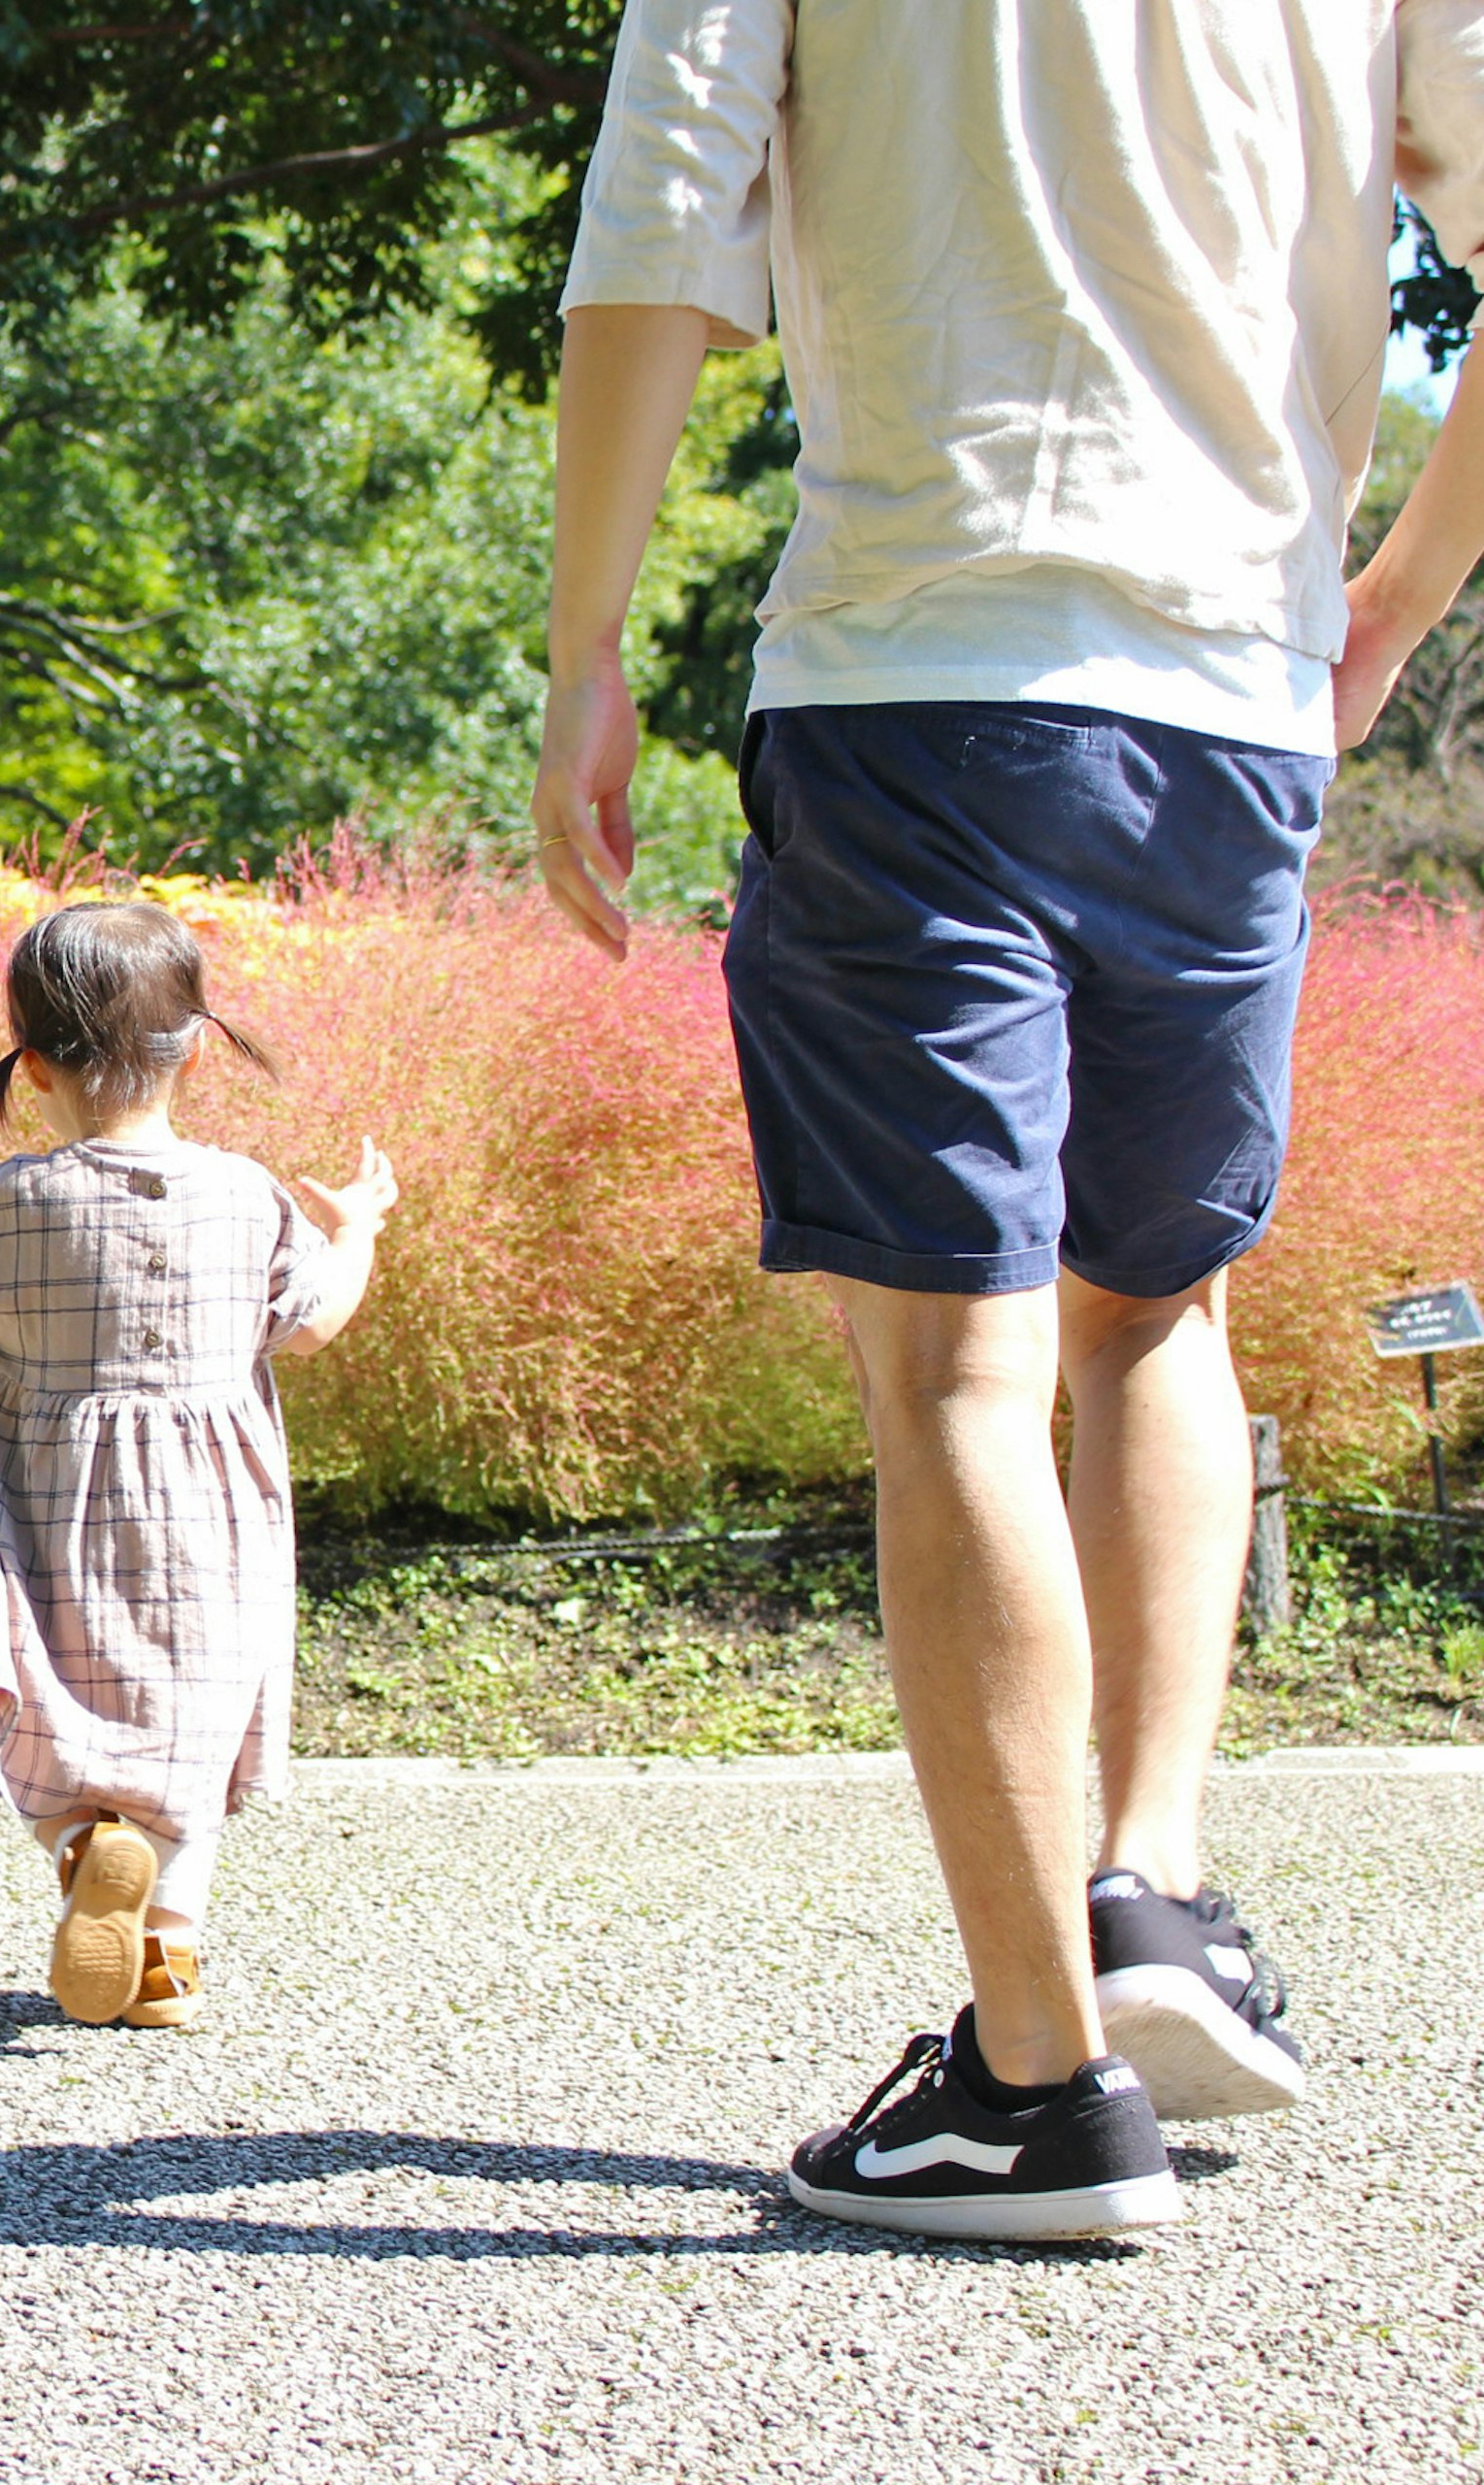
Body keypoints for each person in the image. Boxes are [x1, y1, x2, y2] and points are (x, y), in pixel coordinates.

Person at [540, 0, 1484, 2238]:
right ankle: (1142, 1886)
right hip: (1227, 704)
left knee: (952, 1357)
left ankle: (1036, 2091)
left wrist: (584, 639)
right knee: (1151, 1306)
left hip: (913, 676)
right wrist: (1397, 597)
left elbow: (653, 229)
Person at [0, 901, 398, 2029]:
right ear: (197, 1045)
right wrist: (354, 1231)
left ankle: (83, 1844)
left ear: (33, 1064)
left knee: (44, 1696)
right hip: (212, 1521)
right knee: (190, 1718)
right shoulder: (249, 1197)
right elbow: (312, 1324)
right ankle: (167, 1962)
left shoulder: (0, 1205)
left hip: (42, 1510)